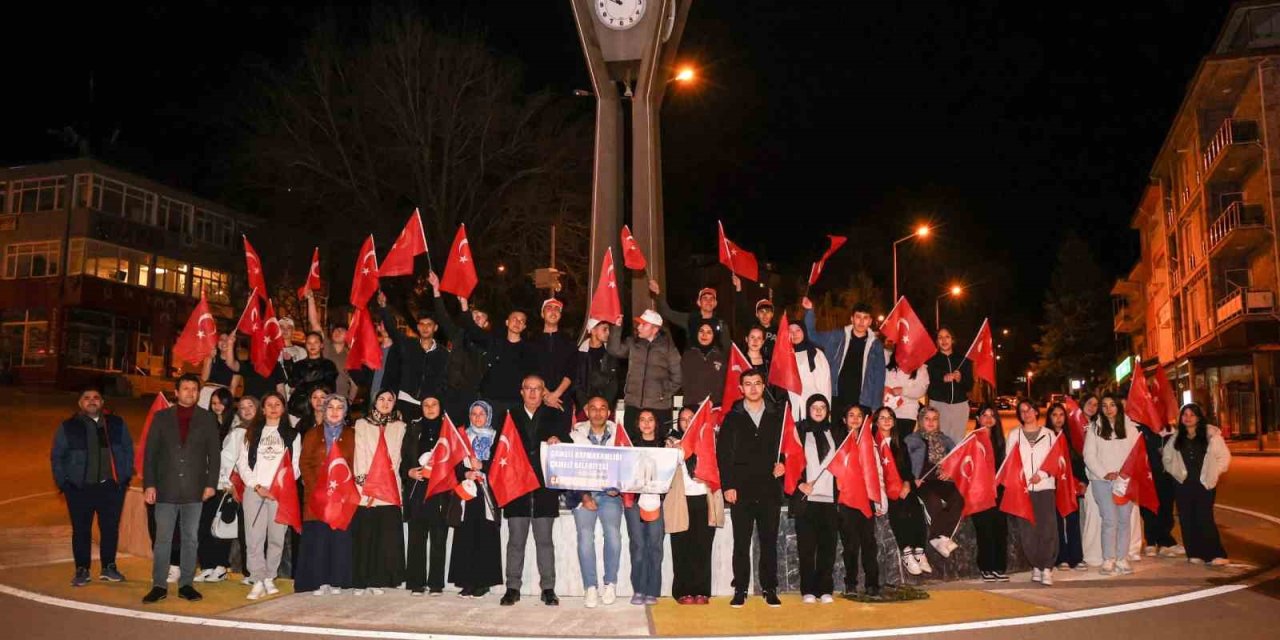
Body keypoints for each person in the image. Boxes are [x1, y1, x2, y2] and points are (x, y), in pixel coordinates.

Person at [141, 374, 222, 604]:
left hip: (195, 490)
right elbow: (150, 455)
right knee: (163, 539)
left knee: (190, 539)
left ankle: (186, 584)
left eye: (194, 389)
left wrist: (210, 484)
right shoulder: (161, 417)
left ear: (198, 393)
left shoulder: (207, 419)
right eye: (185, 389)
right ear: (176, 393)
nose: (190, 393)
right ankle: (159, 585)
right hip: (165, 489)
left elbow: (214, 456)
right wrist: (149, 484)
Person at [52, 384, 134, 587]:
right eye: (87, 397)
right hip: (79, 489)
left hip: (110, 488)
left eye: (96, 397)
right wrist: (65, 483)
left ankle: (109, 567)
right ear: (80, 403)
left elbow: (128, 449)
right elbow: (57, 456)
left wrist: (122, 479)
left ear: (102, 402)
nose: (92, 400)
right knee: (81, 530)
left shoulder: (116, 423)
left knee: (110, 529)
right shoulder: (68, 426)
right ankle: (82, 569)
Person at [718, 369, 786, 608]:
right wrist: (728, 485)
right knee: (741, 542)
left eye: (758, 383)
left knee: (769, 542)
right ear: (741, 388)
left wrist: (784, 465)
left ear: (764, 385)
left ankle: (770, 588)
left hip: (769, 489)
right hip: (741, 490)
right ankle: (740, 589)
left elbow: (788, 448)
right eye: (748, 384)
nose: (753, 388)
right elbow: (723, 455)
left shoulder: (777, 415)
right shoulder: (732, 417)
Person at [500, 375, 566, 606]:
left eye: (537, 389)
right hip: (516, 488)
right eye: (528, 388)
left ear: (543, 392)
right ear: (521, 391)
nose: (532, 393)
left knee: (545, 542)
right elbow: (501, 449)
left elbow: (566, 444)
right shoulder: (508, 416)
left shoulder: (555, 415)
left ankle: (548, 588)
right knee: (515, 541)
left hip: (543, 491)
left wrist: (560, 440)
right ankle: (512, 587)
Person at [236, 392, 301, 600]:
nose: (273, 408)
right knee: (254, 539)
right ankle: (257, 578)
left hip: (280, 494)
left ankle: (270, 576)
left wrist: (280, 487)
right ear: (262, 409)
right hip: (255, 491)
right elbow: (242, 464)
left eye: (278, 404)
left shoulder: (293, 435)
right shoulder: (251, 432)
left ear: (283, 408)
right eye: (269, 405)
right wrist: (256, 486)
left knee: (276, 538)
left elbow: (296, 467)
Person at [567, 398, 627, 608]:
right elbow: (569, 470)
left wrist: (618, 486)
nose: (598, 413)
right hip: (584, 494)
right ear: (586, 410)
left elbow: (627, 467)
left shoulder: (620, 435)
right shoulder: (574, 436)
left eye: (603, 409)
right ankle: (590, 587)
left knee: (613, 535)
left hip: (610, 495)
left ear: (609, 412)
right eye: (593, 408)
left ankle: (610, 583)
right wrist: (584, 496)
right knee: (585, 537)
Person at [294, 394, 356, 595]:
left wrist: (344, 490)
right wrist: (317, 488)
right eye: (331, 407)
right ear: (324, 410)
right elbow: (305, 463)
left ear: (345, 412)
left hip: (342, 496)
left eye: (340, 408)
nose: (335, 411)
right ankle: (319, 581)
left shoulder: (352, 435)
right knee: (318, 539)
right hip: (317, 495)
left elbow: (355, 463)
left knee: (339, 540)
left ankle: (337, 580)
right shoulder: (312, 433)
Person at [347, 390, 407, 594]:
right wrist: (366, 485)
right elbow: (360, 454)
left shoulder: (400, 426)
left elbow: (397, 458)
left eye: (390, 400)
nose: (385, 403)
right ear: (374, 401)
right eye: (381, 399)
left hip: (389, 488)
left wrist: (387, 483)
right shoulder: (363, 424)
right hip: (366, 489)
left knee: (385, 537)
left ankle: (378, 580)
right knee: (365, 536)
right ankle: (360, 581)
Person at [790, 395, 848, 603]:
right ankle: (807, 590)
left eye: (823, 407)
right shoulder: (799, 431)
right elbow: (788, 462)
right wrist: (798, 483)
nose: (818, 411)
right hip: (807, 499)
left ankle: (825, 590)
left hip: (830, 500)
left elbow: (846, 461)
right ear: (807, 409)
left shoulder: (836, 431)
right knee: (806, 549)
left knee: (828, 548)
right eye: (814, 407)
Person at [666, 407, 723, 605]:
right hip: (681, 501)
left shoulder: (708, 439)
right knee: (682, 548)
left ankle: (701, 591)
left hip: (704, 500)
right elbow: (665, 471)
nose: (687, 422)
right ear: (678, 423)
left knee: (703, 547)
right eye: (683, 419)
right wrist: (673, 453)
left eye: (691, 418)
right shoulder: (671, 443)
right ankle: (683, 591)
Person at [1162, 403, 1231, 566]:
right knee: (1186, 518)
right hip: (1183, 485)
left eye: (1192, 415)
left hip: (1204, 484)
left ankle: (1215, 554)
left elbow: (1224, 458)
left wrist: (1214, 472)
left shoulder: (1211, 436)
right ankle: (1194, 552)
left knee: (1205, 517)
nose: (1188, 418)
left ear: (1199, 417)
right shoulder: (1176, 438)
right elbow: (1167, 459)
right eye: (1184, 415)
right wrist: (1178, 473)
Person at [448, 400, 503, 598]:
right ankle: (466, 581)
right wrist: (465, 473)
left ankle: (483, 582)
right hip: (467, 491)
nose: (477, 417)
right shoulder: (462, 437)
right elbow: (453, 463)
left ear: (488, 416)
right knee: (465, 535)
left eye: (481, 414)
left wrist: (483, 466)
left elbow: (501, 462)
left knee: (485, 535)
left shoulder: (497, 437)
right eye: (474, 414)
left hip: (488, 491)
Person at [801, 298, 886, 415]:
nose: (861, 321)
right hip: (836, 397)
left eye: (865, 318)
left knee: (859, 434)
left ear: (870, 321)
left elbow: (879, 377)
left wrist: (876, 407)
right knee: (837, 432)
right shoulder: (837, 336)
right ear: (852, 319)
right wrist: (809, 311)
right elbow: (812, 336)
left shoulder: (876, 345)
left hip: (863, 401)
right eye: (858, 317)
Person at [1083, 393, 1137, 576]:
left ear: (1119, 407)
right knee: (1109, 520)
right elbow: (1089, 456)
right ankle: (1109, 559)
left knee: (1124, 520)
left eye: (1112, 405)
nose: (1108, 409)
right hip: (1102, 481)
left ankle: (1122, 558)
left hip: (1124, 482)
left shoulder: (1130, 428)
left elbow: (1136, 455)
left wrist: (1123, 474)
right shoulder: (1094, 428)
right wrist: (1105, 473)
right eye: (1104, 405)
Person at [401, 396, 451, 596]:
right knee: (416, 537)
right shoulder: (413, 429)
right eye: (426, 405)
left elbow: (455, 459)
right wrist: (409, 472)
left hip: (440, 489)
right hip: (418, 488)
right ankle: (416, 582)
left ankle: (436, 584)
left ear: (441, 406)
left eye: (434, 405)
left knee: (439, 537)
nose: (430, 409)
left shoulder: (449, 429)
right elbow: (403, 459)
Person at [606, 310, 682, 439]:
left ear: (655, 329)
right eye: (639, 324)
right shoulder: (633, 343)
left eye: (643, 324)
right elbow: (614, 350)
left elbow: (678, 377)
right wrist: (617, 327)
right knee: (631, 445)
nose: (639, 327)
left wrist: (663, 394)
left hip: (659, 408)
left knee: (659, 446)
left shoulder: (668, 347)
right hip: (633, 406)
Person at [873, 406, 930, 576]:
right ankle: (906, 552)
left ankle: (919, 551)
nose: (886, 420)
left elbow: (906, 469)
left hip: (901, 484)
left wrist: (907, 483)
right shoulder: (873, 444)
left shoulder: (900, 443)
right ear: (876, 422)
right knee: (898, 508)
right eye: (882, 417)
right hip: (883, 487)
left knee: (914, 505)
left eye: (890, 417)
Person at [1008, 400, 1060, 586]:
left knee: (1047, 528)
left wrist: (1043, 474)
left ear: (1037, 412)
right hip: (1023, 491)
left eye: (1029, 410)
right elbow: (1009, 463)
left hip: (1045, 487)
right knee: (1028, 531)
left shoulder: (1049, 434)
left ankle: (1047, 567)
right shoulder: (1014, 435)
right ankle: (1035, 566)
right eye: (1022, 411)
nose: (1026, 414)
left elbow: (1056, 460)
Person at [376, 290, 448, 423]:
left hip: (428, 406)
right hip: (404, 402)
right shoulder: (408, 345)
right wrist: (383, 308)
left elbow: (445, 381)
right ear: (418, 327)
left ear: (435, 328)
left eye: (429, 325)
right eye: (422, 324)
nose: (425, 328)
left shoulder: (443, 354)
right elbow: (393, 331)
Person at [905, 405, 963, 558]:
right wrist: (912, 479)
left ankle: (942, 537)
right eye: (927, 419)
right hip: (921, 481)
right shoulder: (911, 439)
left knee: (958, 498)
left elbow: (958, 459)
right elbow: (903, 463)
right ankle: (937, 537)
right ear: (920, 420)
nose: (931, 422)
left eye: (935, 419)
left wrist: (950, 470)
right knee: (934, 501)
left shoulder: (946, 440)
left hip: (941, 480)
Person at [459, 297, 533, 416]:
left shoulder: (528, 350)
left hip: (516, 403)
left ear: (524, 327)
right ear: (507, 322)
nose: (517, 322)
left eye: (521, 320)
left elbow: (533, 376)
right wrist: (464, 304)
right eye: (514, 319)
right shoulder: (494, 342)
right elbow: (473, 330)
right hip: (490, 402)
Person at [624, 407, 667, 605]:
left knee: (655, 546)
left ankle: (652, 590)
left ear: (656, 423)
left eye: (651, 419)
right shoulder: (629, 446)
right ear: (637, 423)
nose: (647, 423)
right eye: (642, 419)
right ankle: (639, 589)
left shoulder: (666, 447)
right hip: (634, 502)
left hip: (657, 501)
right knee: (639, 546)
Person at [194, 388, 237, 583]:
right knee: (203, 525)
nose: (217, 406)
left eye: (221, 402)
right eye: (214, 403)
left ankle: (221, 566)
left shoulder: (235, 426)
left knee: (222, 525)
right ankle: (207, 565)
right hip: (205, 482)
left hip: (226, 484)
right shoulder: (205, 423)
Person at [1045, 402, 1088, 571]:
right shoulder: (1045, 437)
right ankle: (1060, 557)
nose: (1058, 419)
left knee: (1073, 521)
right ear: (1049, 417)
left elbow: (1079, 461)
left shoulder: (1071, 436)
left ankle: (1076, 557)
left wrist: (1083, 481)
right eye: (1054, 415)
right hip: (1052, 487)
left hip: (1071, 486)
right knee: (1056, 523)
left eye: (1061, 415)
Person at [970, 404, 1009, 582]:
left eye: (992, 415)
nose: (987, 418)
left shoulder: (1001, 441)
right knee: (984, 529)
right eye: (984, 415)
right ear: (977, 418)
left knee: (1000, 529)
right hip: (980, 491)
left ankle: (999, 567)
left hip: (998, 491)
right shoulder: (971, 440)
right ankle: (986, 566)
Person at [1137, 409, 1180, 559]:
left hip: (1167, 476)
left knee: (1166, 507)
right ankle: (1150, 541)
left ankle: (1165, 540)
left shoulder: (1173, 430)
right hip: (1148, 476)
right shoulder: (1142, 429)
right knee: (1149, 509)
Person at [650, 279, 732, 352]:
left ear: (715, 303)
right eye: (705, 298)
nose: (708, 301)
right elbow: (667, 313)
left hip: (714, 367)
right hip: (693, 365)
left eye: (712, 299)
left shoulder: (721, 324)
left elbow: (727, 351)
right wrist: (658, 293)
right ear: (699, 302)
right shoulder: (690, 319)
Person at [305, 290, 357, 401]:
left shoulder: (350, 356)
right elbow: (314, 323)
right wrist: (310, 299)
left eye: (341, 331)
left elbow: (354, 384)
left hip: (340, 401)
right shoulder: (325, 346)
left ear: (348, 336)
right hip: (321, 399)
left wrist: (350, 402)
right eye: (335, 330)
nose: (337, 332)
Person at [924, 328, 972, 443]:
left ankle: (956, 461)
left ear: (953, 340)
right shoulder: (931, 362)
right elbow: (927, 387)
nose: (944, 340)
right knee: (939, 441)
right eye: (940, 337)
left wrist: (960, 379)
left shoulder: (964, 360)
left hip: (960, 406)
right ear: (937, 341)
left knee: (957, 442)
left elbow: (969, 385)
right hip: (939, 405)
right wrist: (942, 379)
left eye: (947, 337)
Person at [285, 331, 340, 420]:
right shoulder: (298, 365)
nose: (312, 345)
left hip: (322, 410)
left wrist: (302, 382)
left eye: (315, 342)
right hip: (300, 410)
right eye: (309, 343)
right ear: (305, 345)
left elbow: (328, 388)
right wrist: (289, 366)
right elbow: (293, 383)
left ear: (321, 345)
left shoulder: (328, 364)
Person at [786, 322, 833, 422]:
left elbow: (825, 383)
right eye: (790, 331)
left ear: (804, 331)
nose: (794, 334)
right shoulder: (784, 355)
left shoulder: (816, 353)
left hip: (814, 406)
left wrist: (826, 409)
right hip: (792, 406)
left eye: (798, 330)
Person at [680, 319, 728, 409]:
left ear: (714, 335)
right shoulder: (688, 355)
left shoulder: (720, 356)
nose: (704, 335)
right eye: (701, 331)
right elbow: (685, 382)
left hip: (715, 405)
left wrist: (712, 401)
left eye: (709, 332)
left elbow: (723, 383)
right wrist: (698, 402)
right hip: (692, 405)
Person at [575, 320, 621, 410]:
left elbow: (614, 382)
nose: (608, 333)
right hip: (584, 407)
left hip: (606, 407)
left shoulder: (611, 353)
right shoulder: (580, 354)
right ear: (593, 330)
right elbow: (576, 382)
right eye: (604, 329)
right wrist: (585, 404)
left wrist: (604, 406)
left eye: (609, 329)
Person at [883, 351, 930, 440]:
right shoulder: (888, 359)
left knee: (901, 446)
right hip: (886, 412)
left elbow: (922, 390)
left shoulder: (921, 367)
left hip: (907, 414)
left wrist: (903, 390)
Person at [731, 274, 777, 363]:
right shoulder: (752, 327)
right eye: (761, 312)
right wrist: (739, 288)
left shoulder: (778, 330)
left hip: (773, 368)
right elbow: (741, 311)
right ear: (756, 314)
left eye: (768, 311)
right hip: (753, 364)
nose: (765, 314)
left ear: (772, 314)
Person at [200, 333, 240, 407]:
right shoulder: (210, 357)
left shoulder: (236, 364)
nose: (224, 342)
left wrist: (229, 405)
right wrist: (209, 358)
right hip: (207, 393)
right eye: (221, 339)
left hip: (223, 396)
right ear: (217, 343)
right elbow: (204, 379)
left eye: (227, 340)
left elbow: (233, 388)